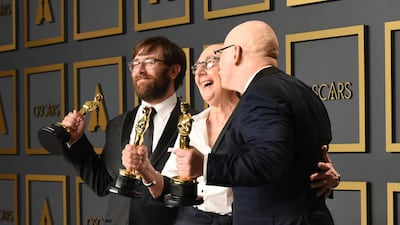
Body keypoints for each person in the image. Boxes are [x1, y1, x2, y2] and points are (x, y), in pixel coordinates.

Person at [123, 43, 340, 225]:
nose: (199, 72)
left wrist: (324, 177)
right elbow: (170, 189)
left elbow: (275, 164)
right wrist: (146, 170)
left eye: (209, 63)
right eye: (197, 67)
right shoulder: (190, 125)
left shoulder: (259, 117)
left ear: (229, 66)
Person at [174, 20, 336, 225]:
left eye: (221, 55)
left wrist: (204, 165)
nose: (220, 64)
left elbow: (271, 161)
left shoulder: (261, 93)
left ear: (236, 53)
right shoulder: (301, 89)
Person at [60, 36, 189, 225]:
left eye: (150, 62)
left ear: (174, 70)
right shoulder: (117, 124)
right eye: (135, 63)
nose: (140, 70)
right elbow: (103, 184)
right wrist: (76, 141)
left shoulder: (195, 123)